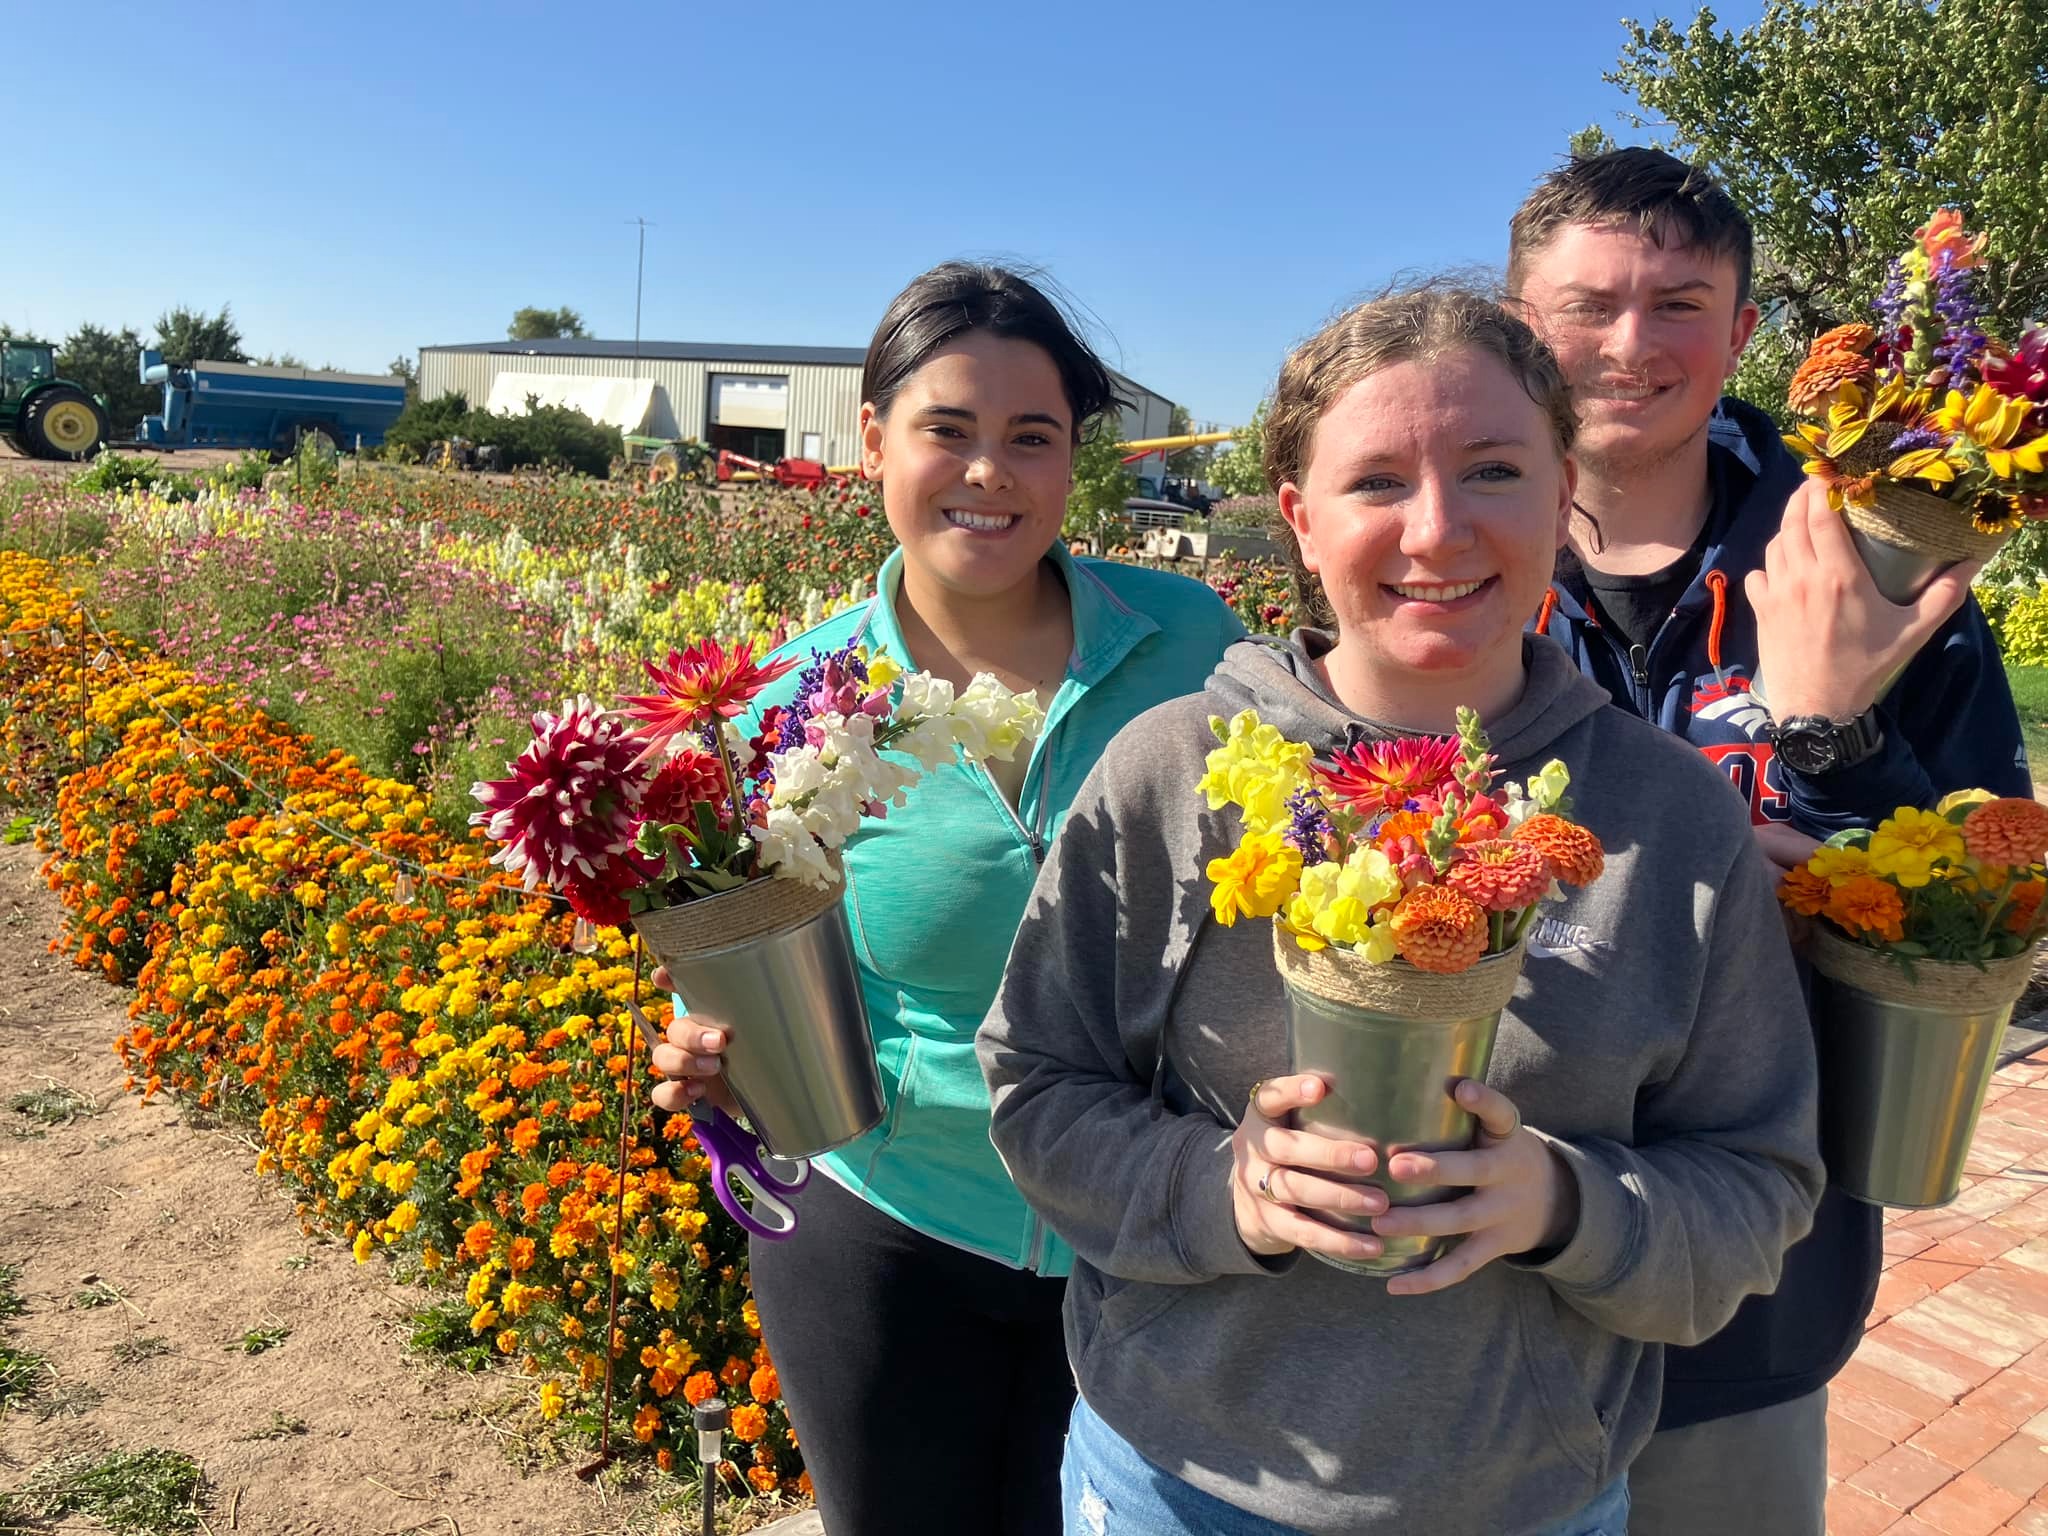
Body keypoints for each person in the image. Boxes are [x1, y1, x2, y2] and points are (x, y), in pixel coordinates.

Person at [978, 283, 1824, 1535]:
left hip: (1525, 1500)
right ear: (1298, 523)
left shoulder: (1669, 818)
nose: (1436, 531)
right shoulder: (1166, 771)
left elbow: (1757, 1185)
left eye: (1491, 469)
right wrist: (1228, 1189)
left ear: (1559, 496)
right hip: (1173, 1485)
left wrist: (1564, 1206)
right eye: (1376, 481)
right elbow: (1037, 1090)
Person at [645, 261, 1247, 1536]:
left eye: (1032, 438)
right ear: (873, 442)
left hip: (1150, 1231)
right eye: (947, 431)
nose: (990, 473)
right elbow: (746, 954)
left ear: (1075, 459)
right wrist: (716, 1043)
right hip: (887, 1231)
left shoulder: (1191, 646)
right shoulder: (780, 708)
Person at [1507, 148, 2031, 1534]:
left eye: (1680, 303)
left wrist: (1829, 741)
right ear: (1518, 323)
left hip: (1753, 1274)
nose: (1631, 346)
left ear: (1745, 333)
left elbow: (1999, 895)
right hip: (1488, 1262)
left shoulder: (1872, 555)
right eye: (1588, 306)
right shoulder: (1446, 557)